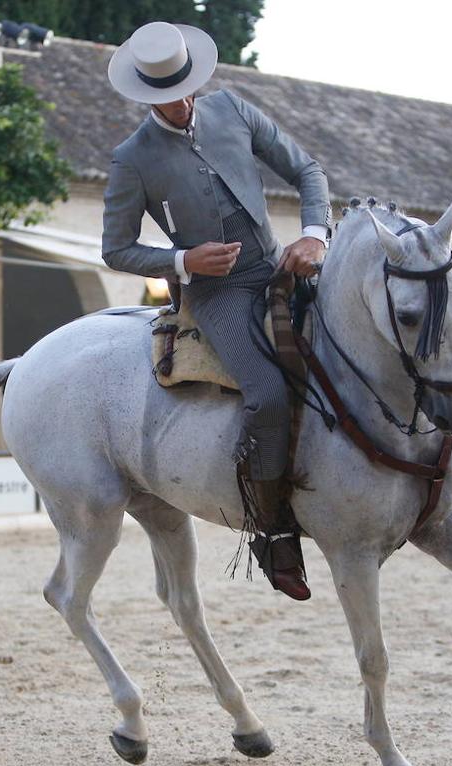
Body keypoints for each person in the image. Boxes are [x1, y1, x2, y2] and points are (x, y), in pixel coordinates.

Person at [101, 21, 330, 600]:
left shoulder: (232, 107)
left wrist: (314, 235)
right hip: (216, 294)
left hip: (280, 266)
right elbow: (116, 248)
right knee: (269, 394)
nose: (179, 105)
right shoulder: (132, 158)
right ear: (145, 96)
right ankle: (274, 530)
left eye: (184, 91)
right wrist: (183, 260)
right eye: (164, 97)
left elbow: (307, 171)